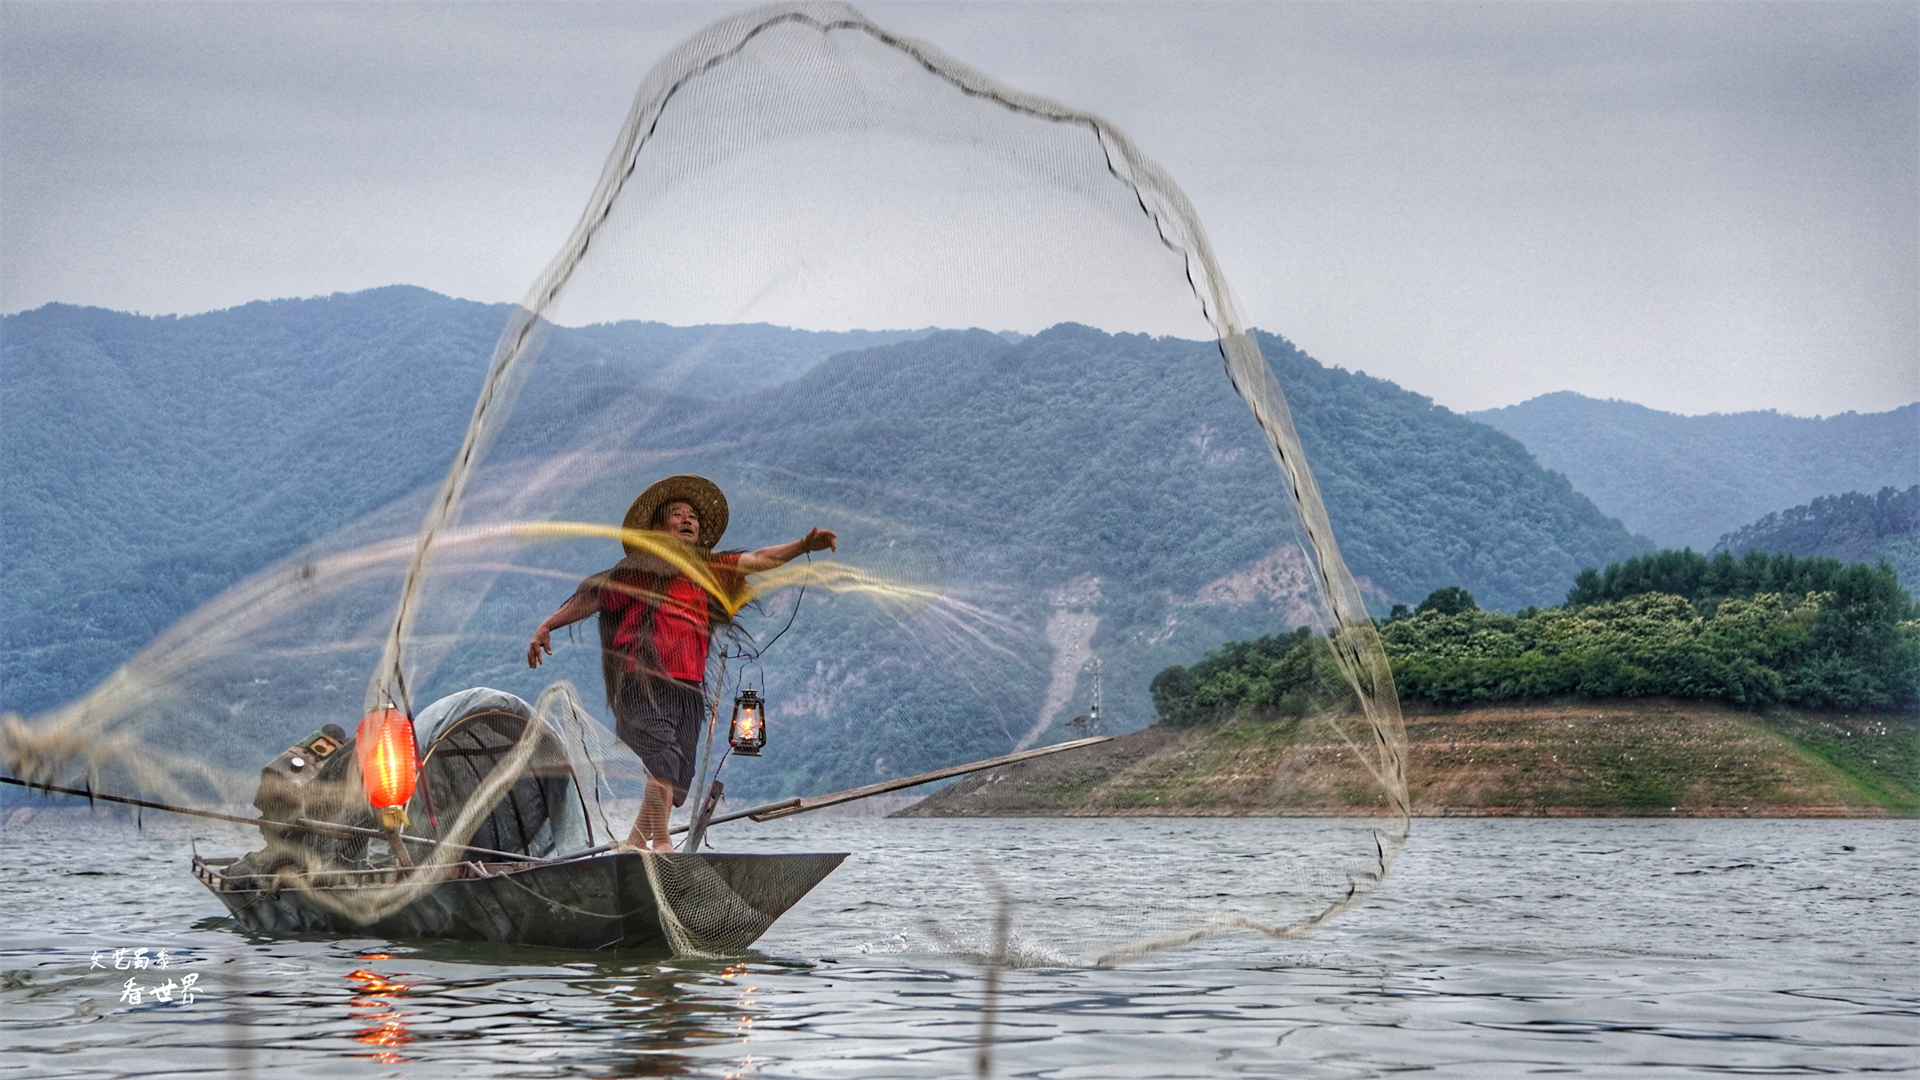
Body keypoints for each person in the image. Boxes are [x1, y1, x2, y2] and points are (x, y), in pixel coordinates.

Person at [526, 474, 835, 852]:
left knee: (673, 780)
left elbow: (757, 559)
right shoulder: (637, 571)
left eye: (693, 516)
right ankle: (661, 845)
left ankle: (634, 844)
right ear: (657, 527)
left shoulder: (707, 570)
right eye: (677, 514)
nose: (689, 520)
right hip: (643, 682)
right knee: (662, 763)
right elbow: (593, 598)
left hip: (688, 690)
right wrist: (548, 624)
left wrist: (803, 545)